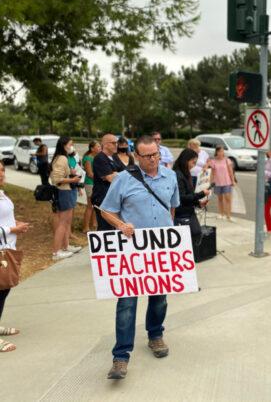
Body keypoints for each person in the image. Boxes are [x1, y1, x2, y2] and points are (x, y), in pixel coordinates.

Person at [100, 135, 180, 380]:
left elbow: (172, 207)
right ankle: (121, 356)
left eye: (156, 154)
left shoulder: (171, 176)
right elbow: (106, 211)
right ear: (137, 156)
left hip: (160, 250)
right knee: (126, 304)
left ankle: (155, 335)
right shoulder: (124, 179)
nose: (153, 159)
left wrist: (170, 232)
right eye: (147, 156)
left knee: (160, 299)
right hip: (132, 252)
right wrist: (121, 225)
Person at [0, 161, 31, 353]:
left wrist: (15, 223)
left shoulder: (1, 193)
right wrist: (13, 228)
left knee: (3, 290)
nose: (1, 174)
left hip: (7, 249)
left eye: (2, 170)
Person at [49, 136, 81, 260]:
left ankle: (66, 246)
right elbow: (56, 179)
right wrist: (73, 179)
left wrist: (71, 173)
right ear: (64, 145)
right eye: (70, 144)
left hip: (68, 191)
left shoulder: (63, 157)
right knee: (63, 223)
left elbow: (61, 174)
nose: (72, 147)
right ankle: (56, 252)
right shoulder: (61, 158)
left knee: (67, 222)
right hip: (64, 192)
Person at [172, 148, 210, 234]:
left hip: (188, 212)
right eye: (193, 162)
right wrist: (201, 194)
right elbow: (182, 197)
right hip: (182, 215)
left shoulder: (185, 173)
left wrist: (198, 204)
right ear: (185, 160)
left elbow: (188, 195)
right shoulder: (178, 175)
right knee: (194, 237)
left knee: (196, 235)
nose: (194, 166)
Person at [91, 134, 120, 231]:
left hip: (113, 198)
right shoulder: (100, 158)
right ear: (105, 144)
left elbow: (126, 172)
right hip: (102, 198)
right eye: (113, 143)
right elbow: (110, 178)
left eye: (117, 143)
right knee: (105, 228)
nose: (116, 145)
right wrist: (116, 174)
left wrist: (117, 174)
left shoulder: (114, 157)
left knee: (113, 227)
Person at [209, 145, 235, 221]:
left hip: (227, 182)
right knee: (220, 199)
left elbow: (231, 171)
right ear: (216, 152)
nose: (221, 153)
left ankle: (228, 215)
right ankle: (221, 214)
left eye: (222, 151)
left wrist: (233, 181)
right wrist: (211, 182)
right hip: (217, 182)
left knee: (228, 198)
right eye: (220, 151)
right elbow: (212, 173)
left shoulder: (227, 160)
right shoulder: (213, 161)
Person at [82, 140, 101, 233]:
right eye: (97, 146)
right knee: (90, 205)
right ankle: (85, 227)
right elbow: (89, 174)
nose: (99, 148)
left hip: (96, 183)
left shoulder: (96, 157)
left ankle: (94, 224)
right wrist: (102, 177)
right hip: (90, 184)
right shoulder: (88, 158)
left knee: (96, 205)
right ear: (92, 148)